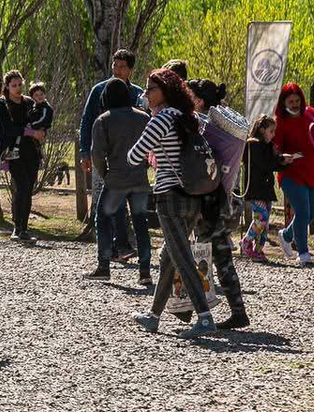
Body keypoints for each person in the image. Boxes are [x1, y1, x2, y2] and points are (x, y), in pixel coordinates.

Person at [128, 68, 217, 338]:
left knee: (181, 255)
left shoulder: (162, 118)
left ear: (164, 91)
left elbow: (135, 155)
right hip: (193, 195)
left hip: (169, 196)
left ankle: (204, 317)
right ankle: (153, 316)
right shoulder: (186, 117)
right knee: (169, 256)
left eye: (150, 89)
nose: (145, 95)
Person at [183, 78, 250, 330]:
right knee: (222, 257)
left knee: (198, 257)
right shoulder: (226, 127)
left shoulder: (205, 127)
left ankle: (194, 311)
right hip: (225, 200)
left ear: (199, 101)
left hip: (207, 202)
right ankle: (238, 310)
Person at [86, 78, 152, 284]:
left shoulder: (103, 120)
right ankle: (145, 272)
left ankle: (104, 265)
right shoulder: (144, 118)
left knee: (103, 219)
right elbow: (152, 149)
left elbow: (97, 153)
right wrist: (143, 168)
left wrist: (106, 173)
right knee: (141, 224)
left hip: (115, 180)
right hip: (140, 180)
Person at [77, 49, 142, 258]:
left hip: (133, 159)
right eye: (115, 65)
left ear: (130, 70)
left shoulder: (137, 94)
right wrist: (85, 151)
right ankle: (116, 246)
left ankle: (125, 246)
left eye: (122, 66)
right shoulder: (99, 91)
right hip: (106, 156)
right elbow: (87, 121)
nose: (117, 70)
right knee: (110, 203)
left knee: (132, 204)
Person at [273, 82, 314, 265]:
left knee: (311, 214)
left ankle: (286, 235)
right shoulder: (281, 122)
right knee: (301, 212)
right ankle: (303, 252)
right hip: (291, 174)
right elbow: (275, 149)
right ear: (283, 102)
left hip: (311, 171)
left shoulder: (310, 113)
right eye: (290, 101)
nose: (294, 104)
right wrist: (283, 157)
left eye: (297, 100)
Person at [0, 70, 42, 242]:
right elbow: (8, 129)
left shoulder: (29, 103)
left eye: (19, 85)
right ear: (7, 86)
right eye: (13, 85)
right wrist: (30, 132)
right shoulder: (2, 104)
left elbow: (41, 119)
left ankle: (24, 228)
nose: (17, 88)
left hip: (31, 151)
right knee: (21, 186)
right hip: (13, 152)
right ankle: (17, 227)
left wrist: (41, 131)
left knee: (28, 189)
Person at [239, 115, 290, 262]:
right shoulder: (252, 146)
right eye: (271, 131)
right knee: (261, 218)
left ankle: (259, 249)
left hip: (266, 189)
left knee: (265, 223)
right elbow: (265, 164)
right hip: (255, 190)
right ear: (262, 130)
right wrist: (279, 159)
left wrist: (285, 161)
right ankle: (246, 243)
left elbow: (273, 165)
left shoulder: (268, 147)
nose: (273, 135)